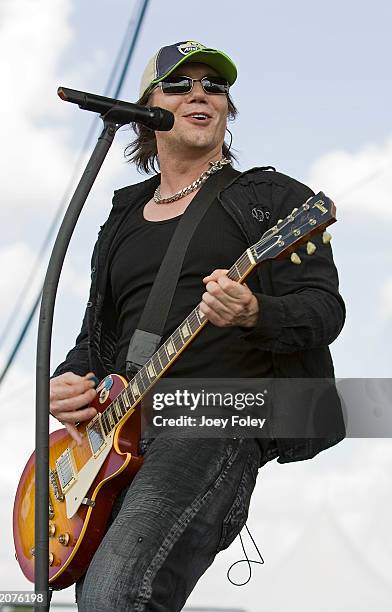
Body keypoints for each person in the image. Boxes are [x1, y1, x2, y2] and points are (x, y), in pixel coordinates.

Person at [50, 40, 346, 611]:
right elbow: (98, 337)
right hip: (118, 440)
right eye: (181, 85)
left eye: (215, 86)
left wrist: (256, 311)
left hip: (216, 415)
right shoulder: (122, 215)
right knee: (95, 601)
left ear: (227, 110)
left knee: (118, 596)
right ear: (148, 108)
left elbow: (324, 309)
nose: (200, 94)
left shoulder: (270, 199)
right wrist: (67, 382)